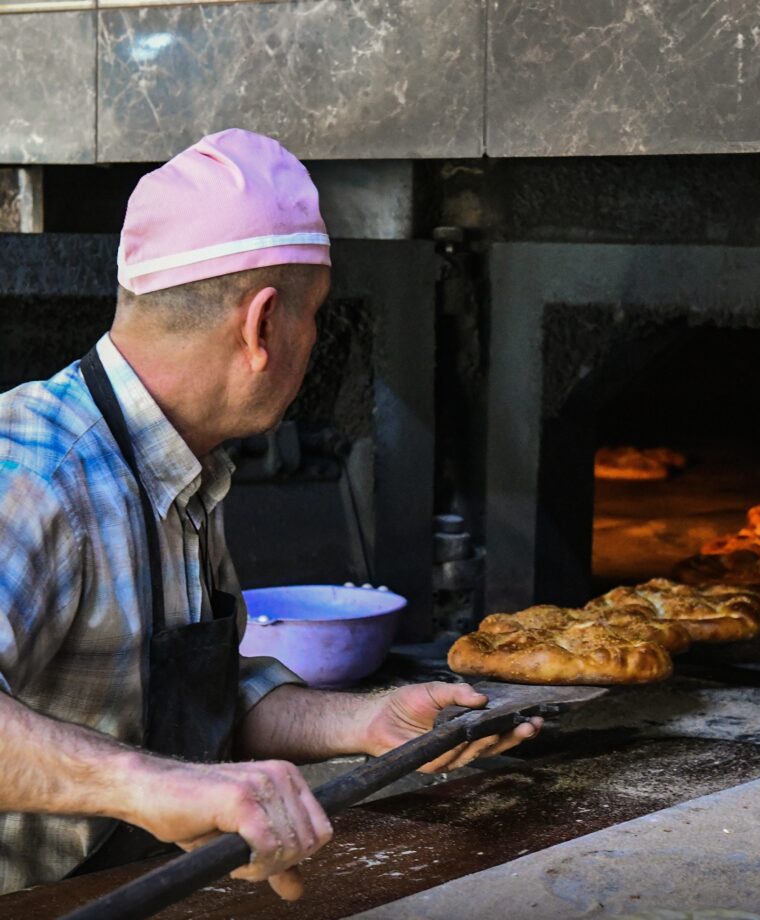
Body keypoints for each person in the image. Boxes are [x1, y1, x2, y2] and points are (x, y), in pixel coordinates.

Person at [0, 129, 540, 898]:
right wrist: (150, 784)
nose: (314, 340)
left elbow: (191, 699)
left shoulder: (184, 465)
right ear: (261, 326)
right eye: (313, 314)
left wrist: (365, 724)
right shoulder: (33, 471)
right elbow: (152, 764)